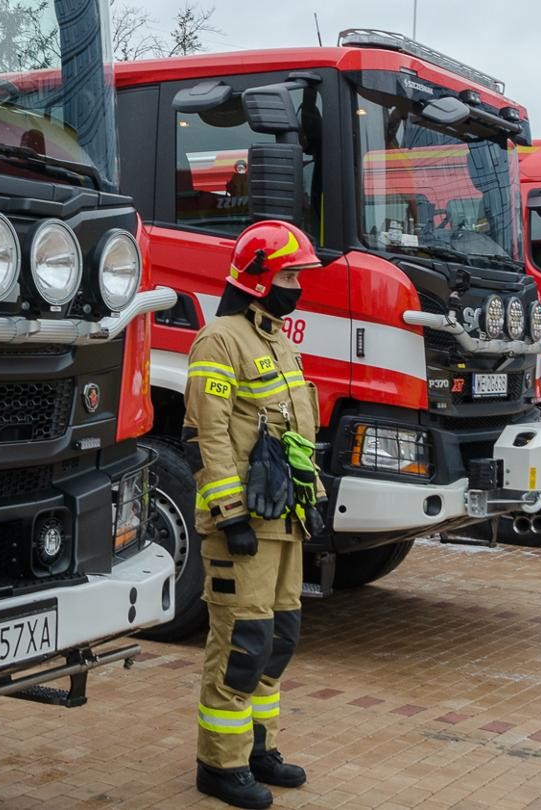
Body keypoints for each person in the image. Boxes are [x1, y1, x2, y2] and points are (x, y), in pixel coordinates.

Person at [185, 220, 325, 809]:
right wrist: (231, 513)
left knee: (279, 636)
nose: (298, 286)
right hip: (243, 523)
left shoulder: (278, 340)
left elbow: (294, 433)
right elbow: (205, 435)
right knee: (243, 640)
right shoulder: (219, 340)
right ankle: (219, 766)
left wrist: (313, 498)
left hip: (284, 519)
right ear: (260, 277)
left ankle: (258, 748)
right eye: (290, 275)